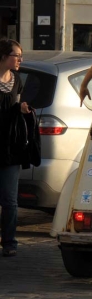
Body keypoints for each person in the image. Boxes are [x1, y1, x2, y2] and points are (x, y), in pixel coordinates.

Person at [0, 39, 31, 257]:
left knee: (10, 199)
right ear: (3, 56)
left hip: (11, 148)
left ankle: (9, 242)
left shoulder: (17, 80)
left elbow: (15, 107)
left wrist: (22, 109)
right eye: (16, 55)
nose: (20, 59)